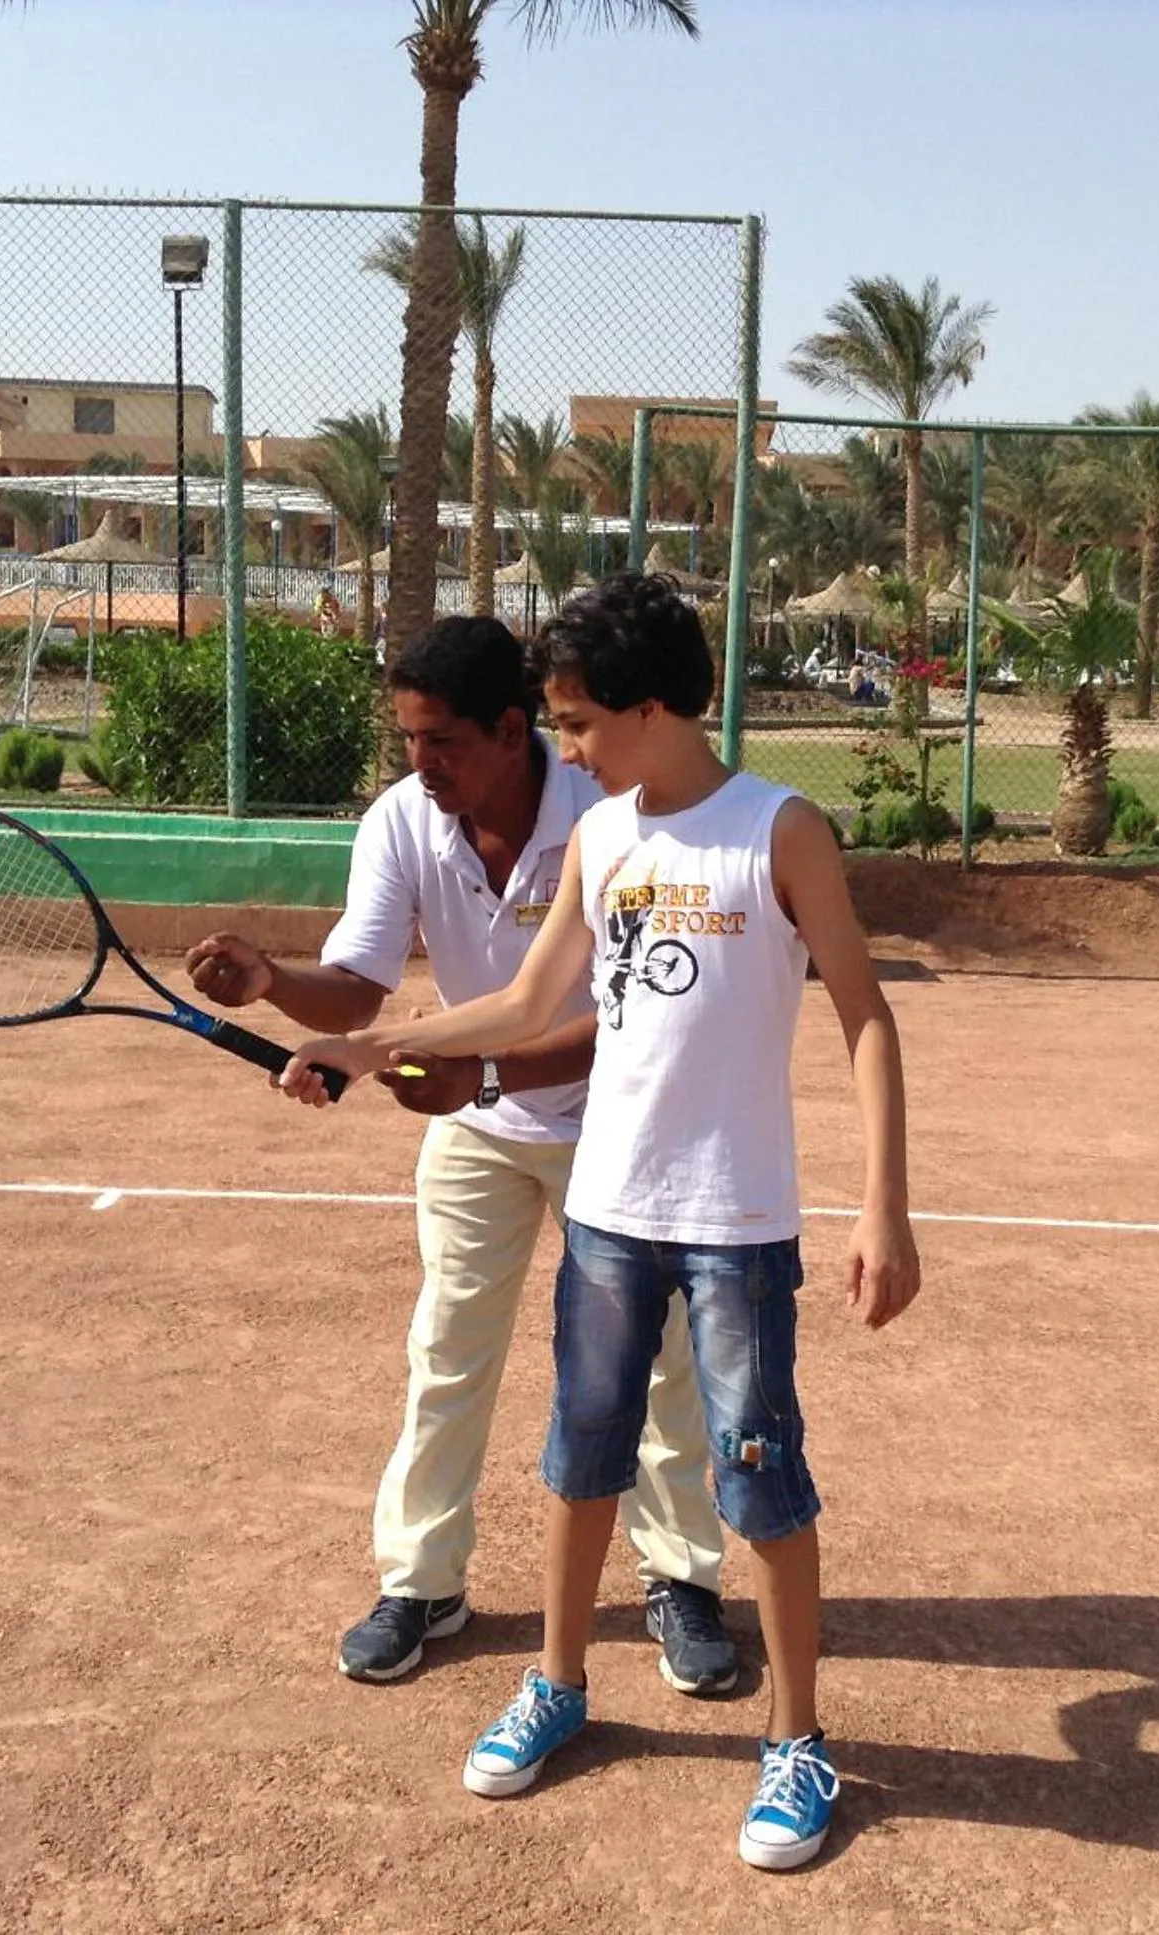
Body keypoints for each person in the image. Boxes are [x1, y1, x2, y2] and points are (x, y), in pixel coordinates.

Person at [280, 573, 921, 1872]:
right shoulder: (605, 837)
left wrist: (884, 1204)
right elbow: (524, 1003)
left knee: (759, 1473)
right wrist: (374, 1048)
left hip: (738, 1220)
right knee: (581, 1455)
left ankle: (799, 1737)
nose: (564, 747)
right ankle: (559, 1681)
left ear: (645, 705)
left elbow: (866, 1011)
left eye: (575, 721)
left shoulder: (780, 829)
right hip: (610, 1211)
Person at [184, 614, 738, 1693]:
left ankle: (681, 1579)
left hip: (623, 1130)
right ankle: (422, 1582)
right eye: (407, 741)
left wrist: (479, 1074)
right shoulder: (401, 821)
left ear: (510, 727)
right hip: (478, 1134)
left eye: (441, 742)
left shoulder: (610, 812)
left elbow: (631, 1020)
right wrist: (273, 986)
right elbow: (357, 986)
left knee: (657, 1369)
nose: (419, 764)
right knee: (447, 1351)